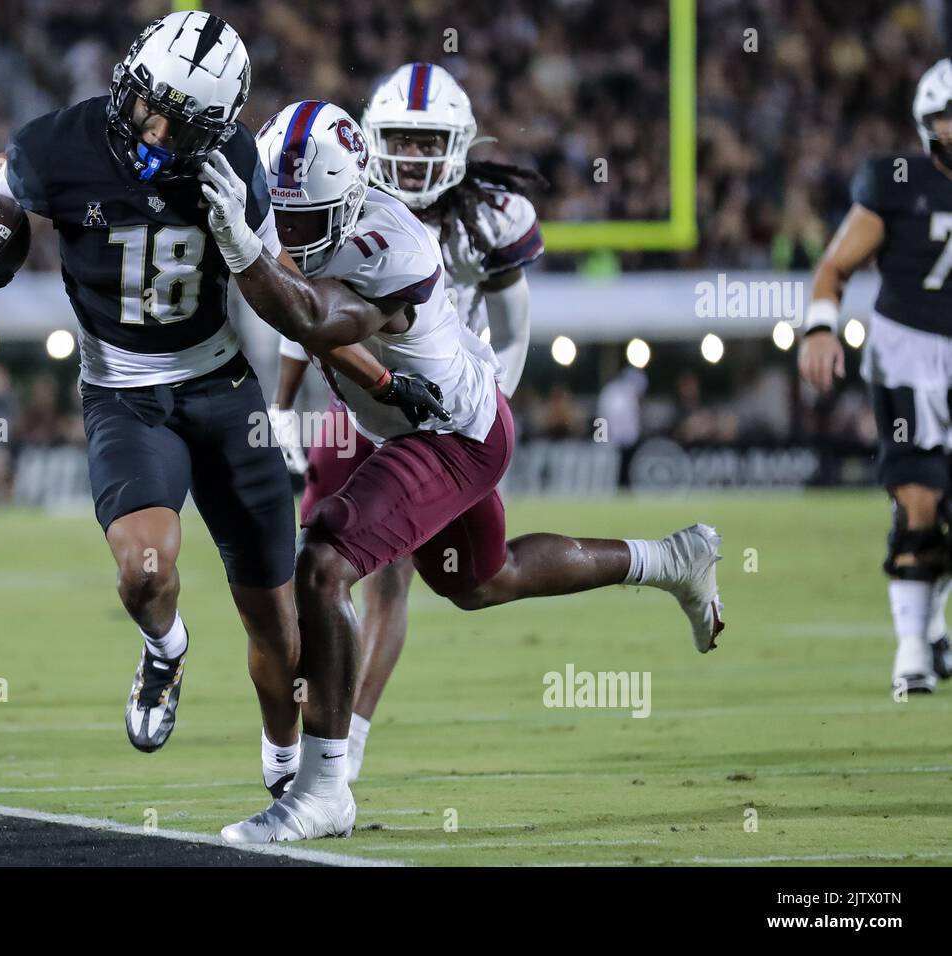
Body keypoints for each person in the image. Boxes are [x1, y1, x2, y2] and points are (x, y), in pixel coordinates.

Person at [0, 13, 446, 788]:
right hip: (124, 394)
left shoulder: (235, 164)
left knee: (277, 619)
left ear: (219, 128)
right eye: (146, 103)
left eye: (179, 121)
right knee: (144, 574)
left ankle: (284, 769)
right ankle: (165, 651)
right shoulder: (59, 145)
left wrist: (386, 380)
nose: (153, 129)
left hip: (222, 388)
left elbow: (291, 302)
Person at [199, 99, 725, 842]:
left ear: (348, 199)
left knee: (322, 561)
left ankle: (324, 789)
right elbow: (315, 319)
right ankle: (668, 558)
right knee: (483, 581)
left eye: (307, 219)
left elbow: (315, 319)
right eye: (281, 216)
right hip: (419, 418)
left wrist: (245, 251)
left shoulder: (390, 246)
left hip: (453, 436)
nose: (291, 233)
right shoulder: (310, 219)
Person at [270, 64, 546, 781]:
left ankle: (339, 747)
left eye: (429, 144)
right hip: (356, 402)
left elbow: (514, 328)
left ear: (457, 144)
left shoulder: (486, 217)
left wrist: (495, 400)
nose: (415, 158)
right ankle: (319, 740)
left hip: (444, 411)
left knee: (417, 578)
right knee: (329, 566)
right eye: (402, 140)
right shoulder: (343, 196)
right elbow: (301, 320)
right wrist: (281, 407)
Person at [798, 59, 952, 695]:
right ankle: (912, 647)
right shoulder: (897, 181)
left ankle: (933, 628)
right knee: (918, 498)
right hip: (908, 354)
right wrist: (820, 327)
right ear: (925, 127)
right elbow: (834, 268)